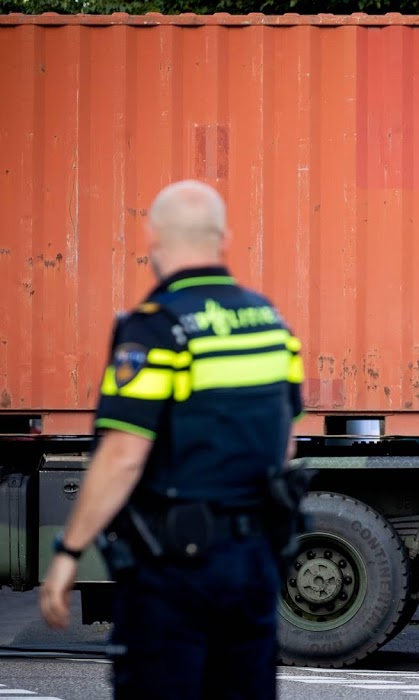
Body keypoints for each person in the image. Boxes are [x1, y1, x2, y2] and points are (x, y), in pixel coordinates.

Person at [38, 180, 305, 699]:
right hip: (253, 561)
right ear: (224, 237)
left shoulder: (157, 328)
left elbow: (123, 455)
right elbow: (285, 445)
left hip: (174, 571)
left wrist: (69, 551)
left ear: (152, 237)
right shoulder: (270, 324)